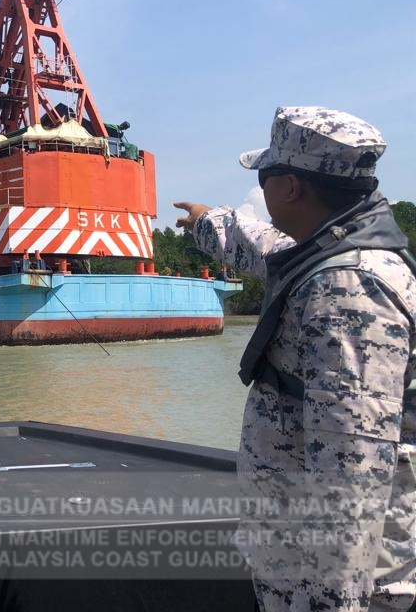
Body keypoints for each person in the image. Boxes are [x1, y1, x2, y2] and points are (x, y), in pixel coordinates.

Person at [174, 106, 416, 611]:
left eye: (264, 176)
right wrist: (206, 222)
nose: (261, 191)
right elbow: (265, 245)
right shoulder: (332, 253)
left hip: (331, 583)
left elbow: (352, 476)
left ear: (289, 187)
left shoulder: (347, 290)